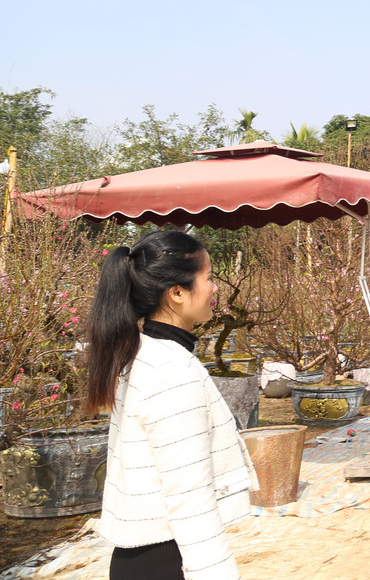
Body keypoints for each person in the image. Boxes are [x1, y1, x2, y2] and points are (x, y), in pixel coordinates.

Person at [86, 230, 258, 580]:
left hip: (149, 554)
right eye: (208, 278)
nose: (214, 289)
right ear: (177, 293)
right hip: (168, 558)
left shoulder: (146, 354)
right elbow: (188, 492)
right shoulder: (171, 371)